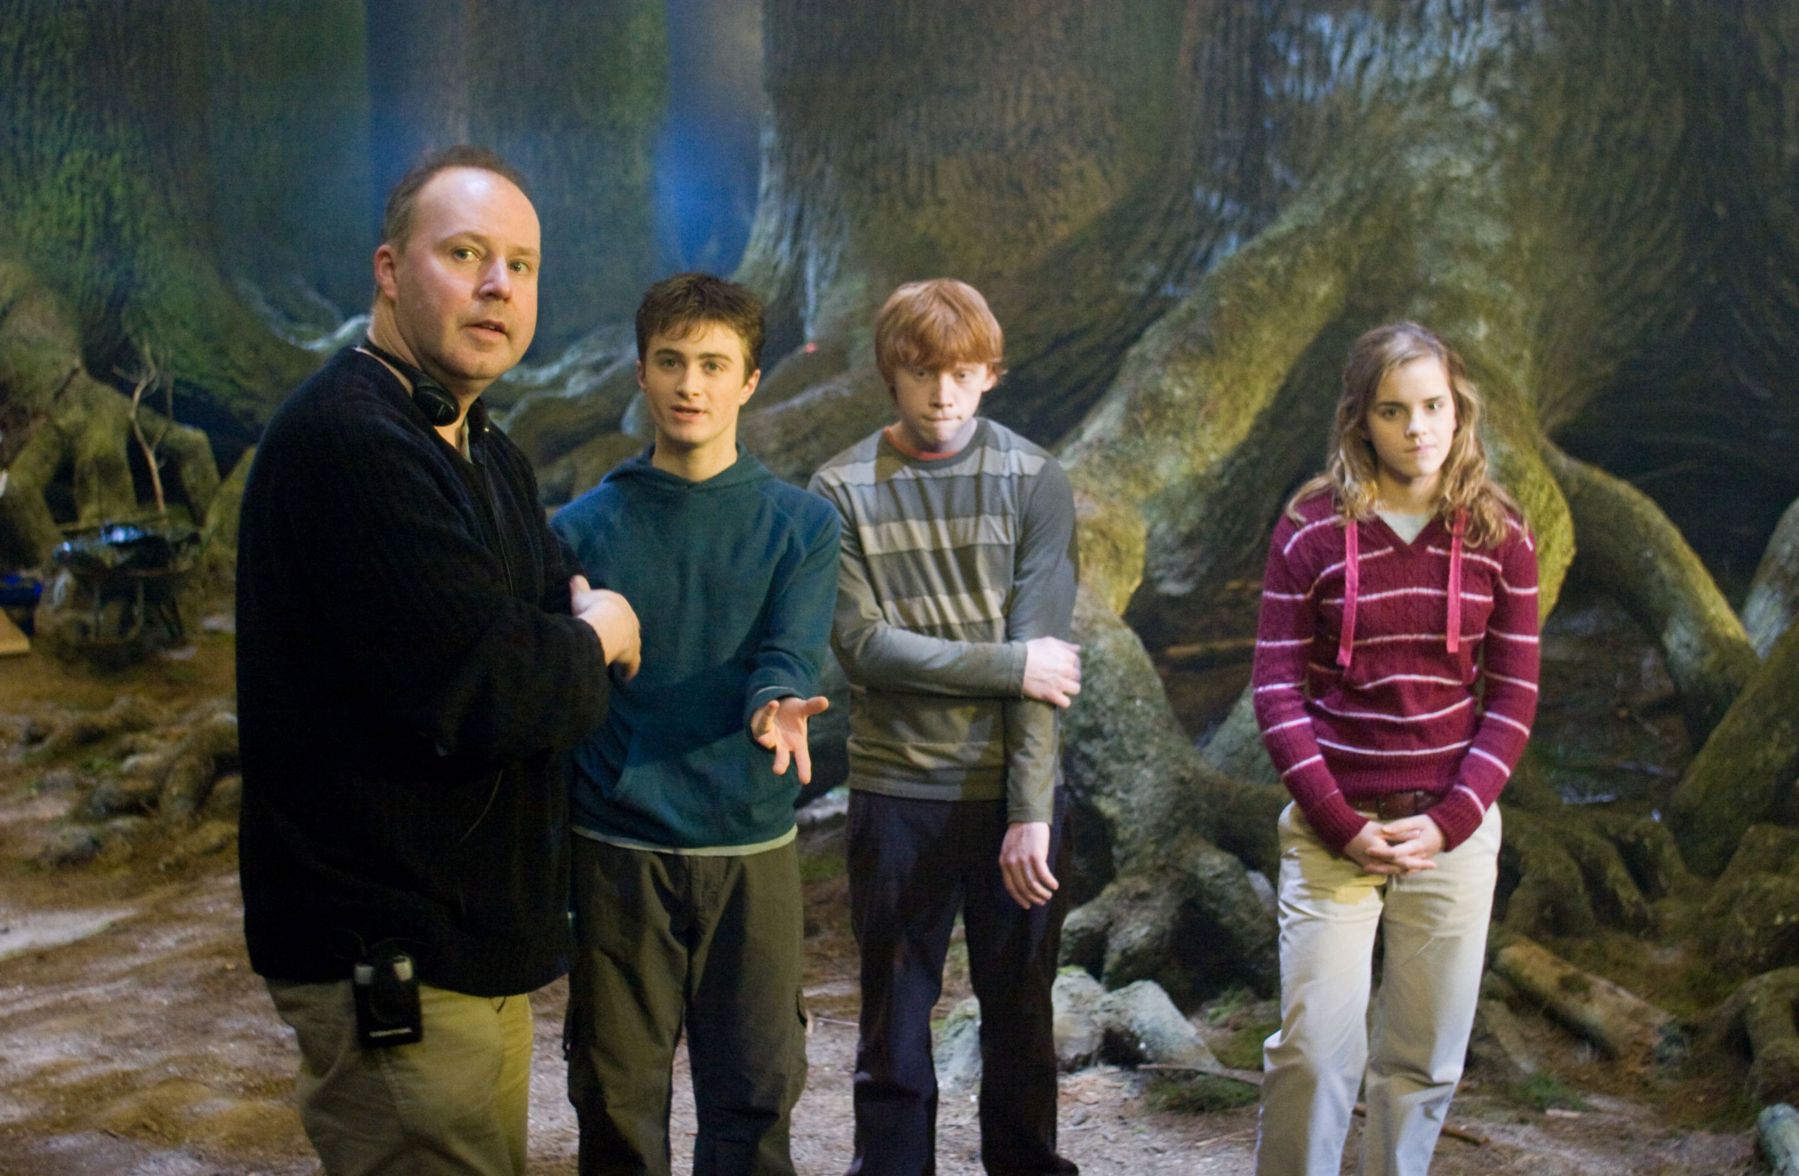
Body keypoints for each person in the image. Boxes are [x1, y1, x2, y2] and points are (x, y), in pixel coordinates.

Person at [236, 145, 641, 1176]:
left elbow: (547, 597)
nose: (498, 284)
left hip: (465, 946)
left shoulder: (480, 444)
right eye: (464, 254)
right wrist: (599, 635)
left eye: (521, 264)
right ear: (388, 271)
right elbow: (500, 685)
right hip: (391, 954)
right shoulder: (353, 443)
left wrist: (567, 630)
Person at [552, 273, 840, 1176]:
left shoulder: (801, 525)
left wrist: (775, 705)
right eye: (671, 361)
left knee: (755, 1096)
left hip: (748, 845)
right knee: (616, 1100)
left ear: (748, 381)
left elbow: (787, 652)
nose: (690, 384)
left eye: (714, 365)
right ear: (640, 372)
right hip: (617, 845)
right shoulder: (580, 529)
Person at [1250, 322, 1540, 1176]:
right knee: (1311, 1054)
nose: (1417, 428)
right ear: (1359, 420)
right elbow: (1275, 691)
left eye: (1433, 407)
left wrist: (1453, 819)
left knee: (1422, 1061)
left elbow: (1512, 698)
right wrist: (1338, 822)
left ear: (1458, 411)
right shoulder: (1309, 529)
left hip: (1449, 833)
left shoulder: (1498, 534)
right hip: (1333, 829)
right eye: (1392, 410)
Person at [809, 278, 1083, 1176]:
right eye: (922, 372)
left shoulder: (1034, 480)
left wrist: (1030, 810)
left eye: (962, 374)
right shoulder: (839, 488)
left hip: (1014, 793)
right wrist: (1009, 664)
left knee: (1020, 1017)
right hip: (895, 790)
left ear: (989, 375)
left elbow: (1044, 665)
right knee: (893, 1020)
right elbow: (864, 649)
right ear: (891, 372)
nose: (942, 394)